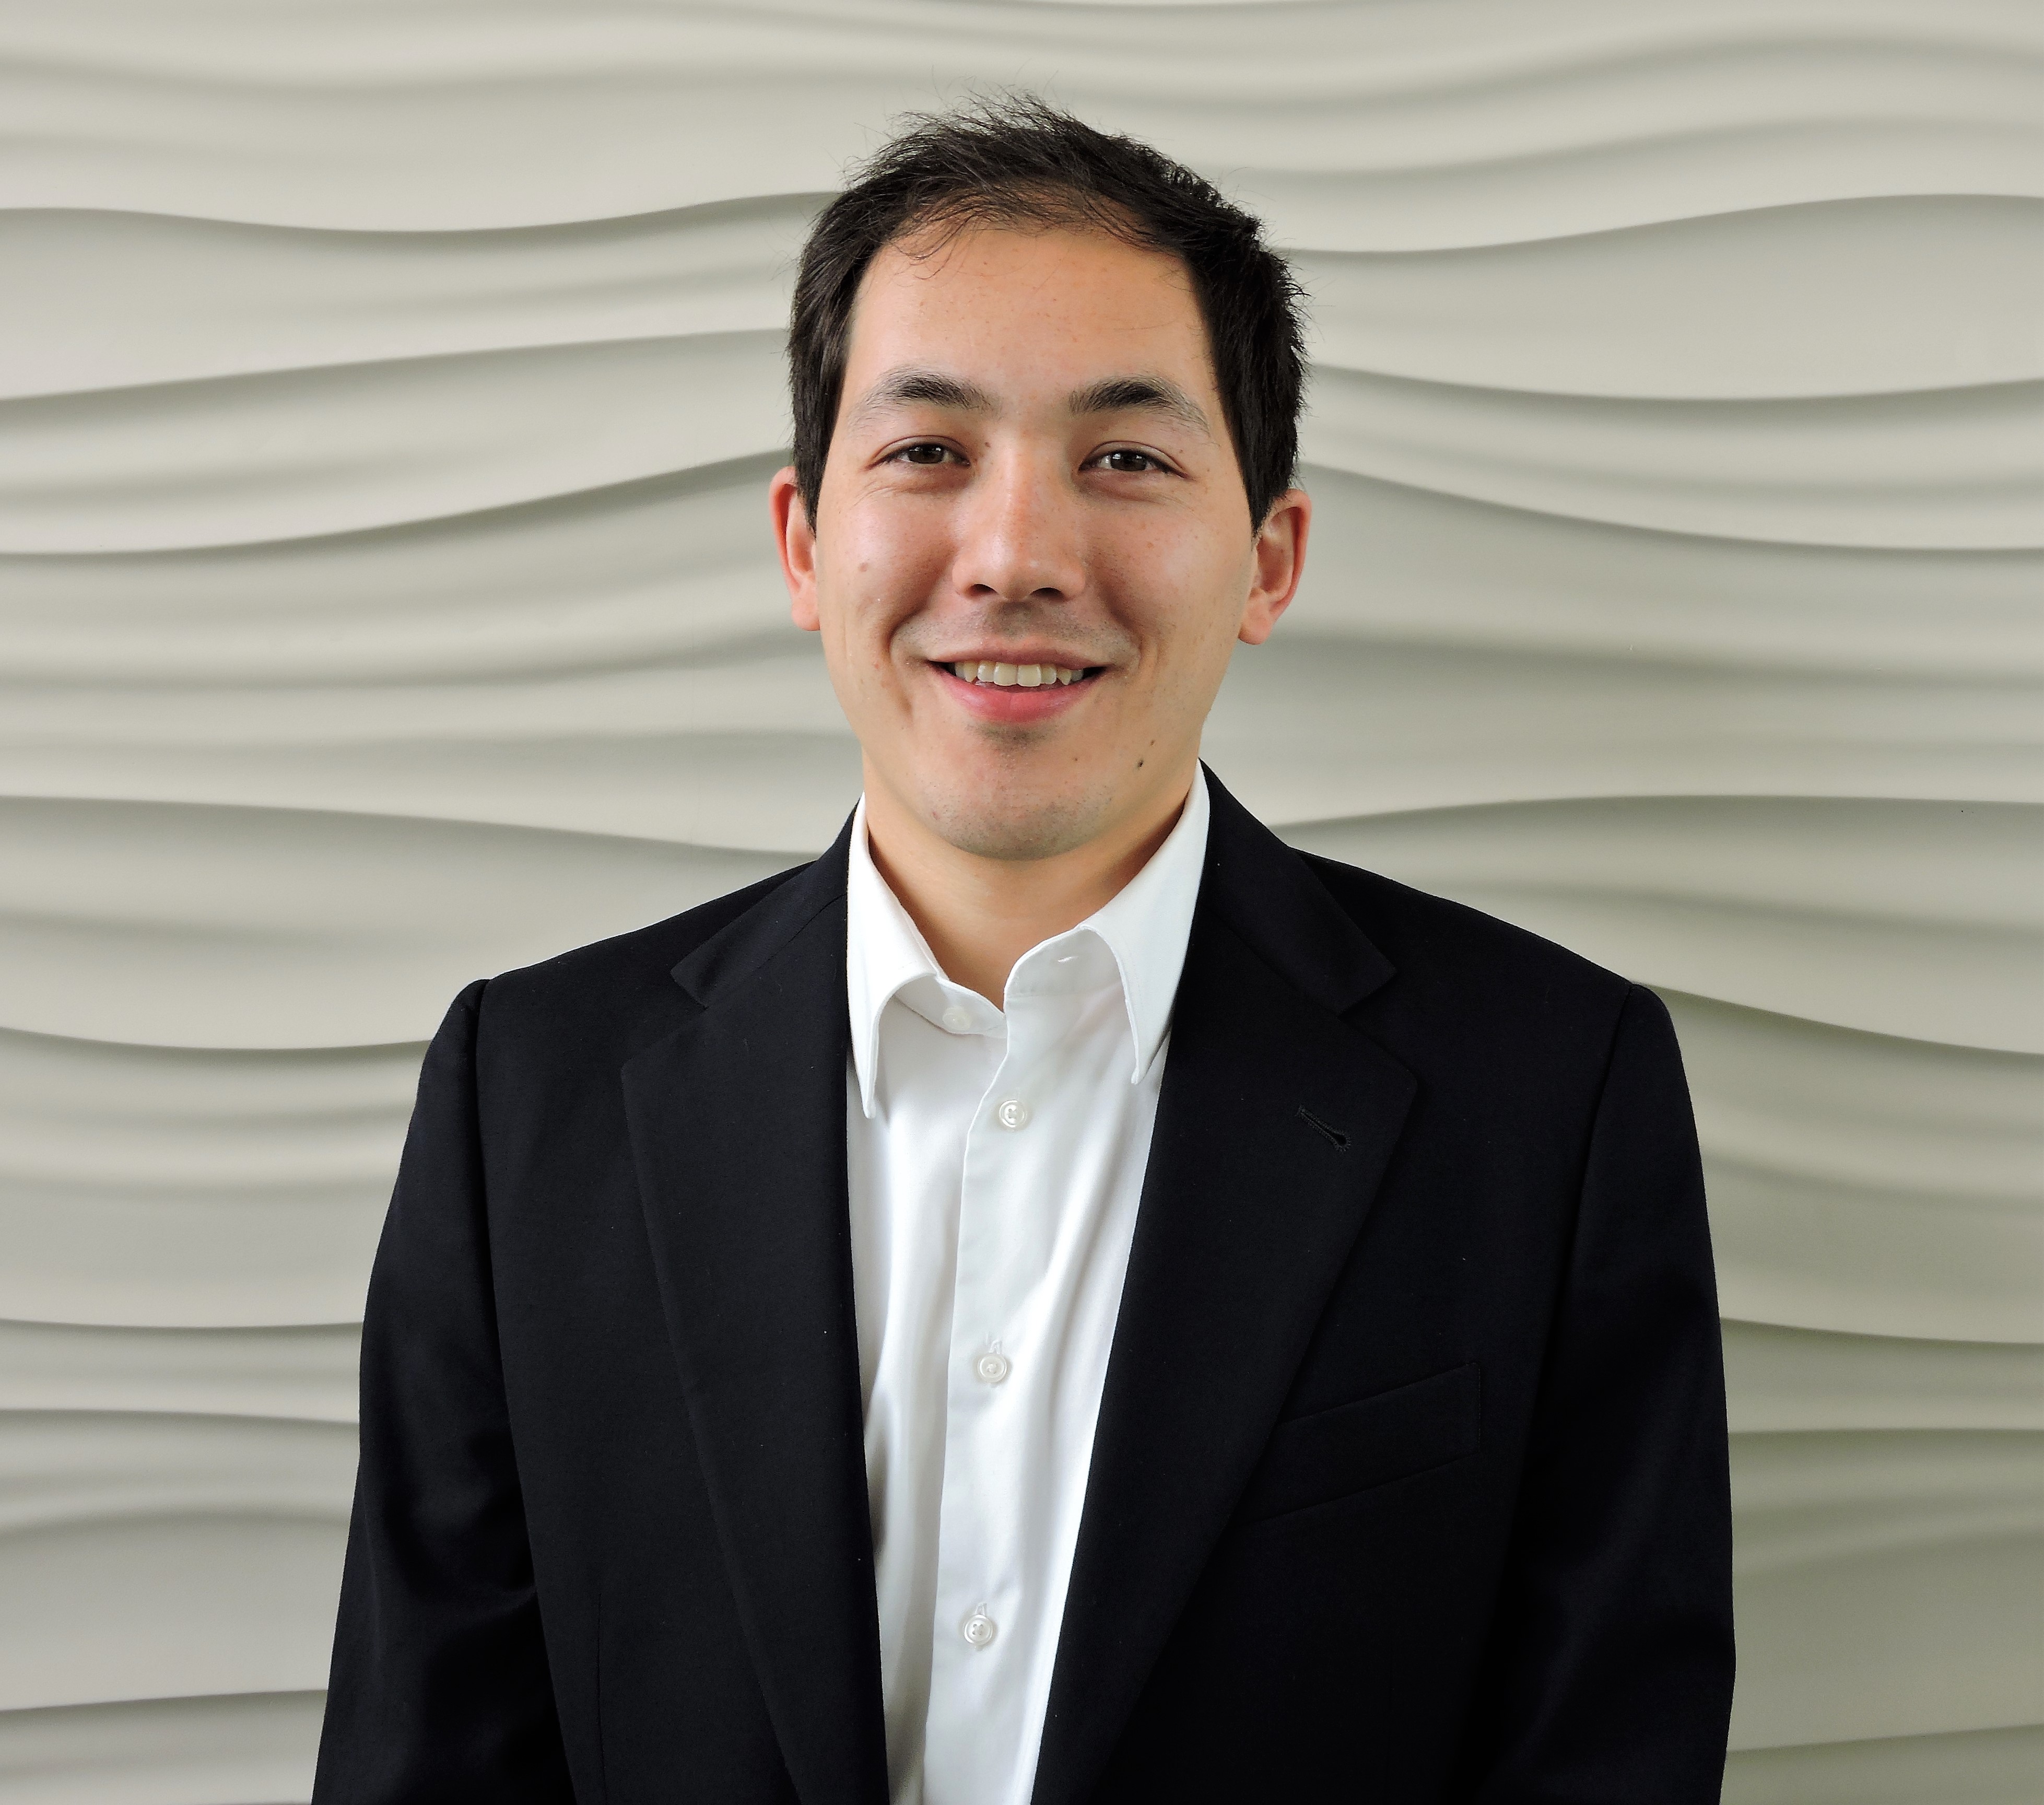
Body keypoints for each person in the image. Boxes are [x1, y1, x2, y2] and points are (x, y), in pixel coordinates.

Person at [313, 98, 1733, 1805]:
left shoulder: (1548, 1092)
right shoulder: (525, 1093)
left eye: (1124, 458)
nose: (1015, 558)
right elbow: (429, 1756)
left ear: (1267, 560)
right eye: (926, 452)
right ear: (799, 542)